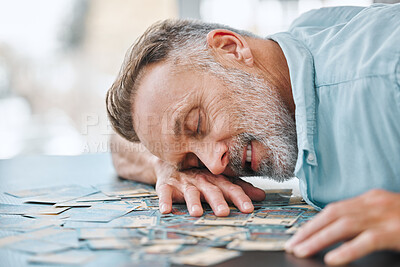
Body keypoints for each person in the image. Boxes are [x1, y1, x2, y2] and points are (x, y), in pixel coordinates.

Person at [106, 4, 400, 265]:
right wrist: (169, 166)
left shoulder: (386, 74)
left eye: (196, 124)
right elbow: (118, 145)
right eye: (192, 161)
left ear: (231, 49)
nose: (215, 165)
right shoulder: (290, 53)